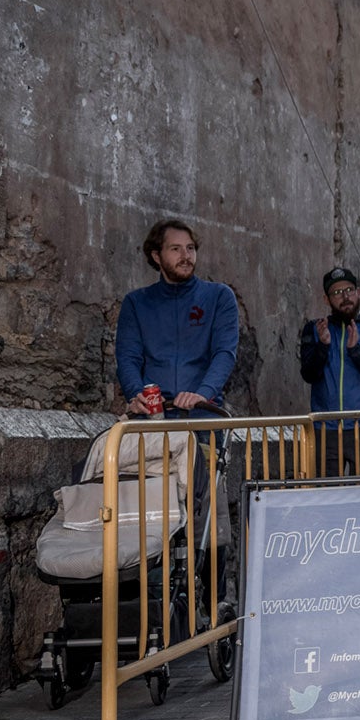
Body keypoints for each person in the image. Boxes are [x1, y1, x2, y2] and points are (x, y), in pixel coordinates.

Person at [114, 218, 239, 523]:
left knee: (206, 519)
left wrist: (202, 395)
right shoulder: (136, 303)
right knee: (150, 514)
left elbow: (225, 353)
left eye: (191, 248)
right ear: (156, 256)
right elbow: (128, 357)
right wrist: (136, 394)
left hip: (203, 421)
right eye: (175, 249)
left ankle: (208, 571)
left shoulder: (219, 297)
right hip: (154, 422)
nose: (186, 256)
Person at [298, 267, 360, 475]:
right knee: (328, 495)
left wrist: (356, 350)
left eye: (349, 290)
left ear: (358, 293)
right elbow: (308, 374)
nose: (345, 297)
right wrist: (322, 346)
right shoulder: (315, 329)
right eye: (337, 293)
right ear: (327, 299)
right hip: (325, 428)